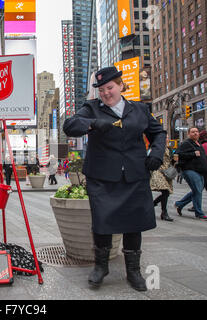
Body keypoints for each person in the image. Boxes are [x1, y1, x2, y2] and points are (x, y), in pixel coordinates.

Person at [63, 66, 166, 292]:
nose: (106, 93)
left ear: (121, 85)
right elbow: (70, 126)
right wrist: (90, 123)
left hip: (134, 175)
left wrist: (156, 153)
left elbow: (158, 132)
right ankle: (101, 267)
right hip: (102, 177)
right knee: (102, 223)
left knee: (134, 224)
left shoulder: (139, 109)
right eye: (101, 90)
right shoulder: (91, 108)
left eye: (109, 87)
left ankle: (134, 271)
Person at [174, 127, 207, 221]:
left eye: (197, 132)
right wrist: (193, 154)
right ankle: (199, 213)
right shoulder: (186, 143)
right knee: (197, 190)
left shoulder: (199, 144)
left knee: (197, 190)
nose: (195, 133)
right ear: (189, 134)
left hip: (199, 170)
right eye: (193, 132)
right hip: (189, 170)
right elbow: (177, 155)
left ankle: (179, 204)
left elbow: (201, 156)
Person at [150, 137, 174, 222]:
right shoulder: (157, 147)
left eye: (167, 138)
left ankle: (153, 204)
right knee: (165, 191)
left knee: (166, 192)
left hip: (167, 172)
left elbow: (171, 161)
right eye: (165, 138)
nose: (166, 139)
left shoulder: (168, 148)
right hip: (159, 171)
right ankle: (164, 212)